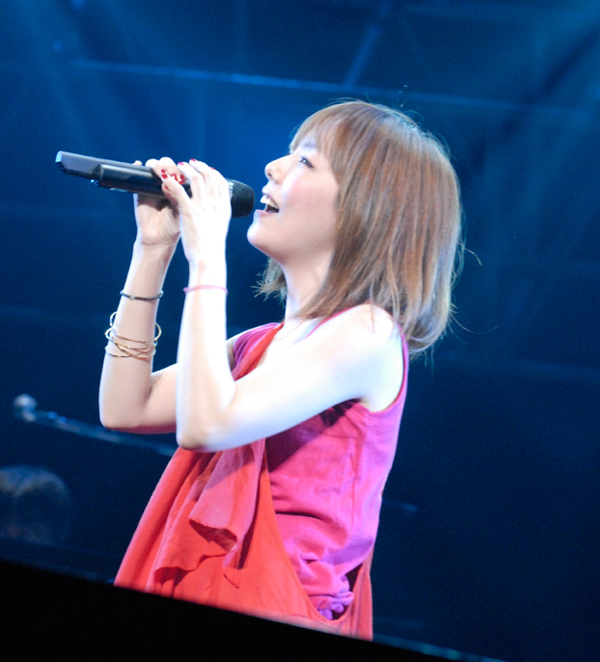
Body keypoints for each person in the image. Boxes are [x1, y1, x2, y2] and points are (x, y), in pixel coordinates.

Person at [98, 100, 462, 638]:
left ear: (365, 209)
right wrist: (152, 251)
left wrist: (207, 257)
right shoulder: (261, 344)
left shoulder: (369, 332)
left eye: (306, 161)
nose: (273, 167)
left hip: (273, 600)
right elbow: (125, 407)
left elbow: (207, 425)